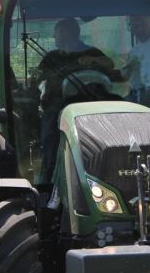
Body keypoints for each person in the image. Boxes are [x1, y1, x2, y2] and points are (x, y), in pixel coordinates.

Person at [34, 18, 114, 181]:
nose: (55, 38)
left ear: (66, 34)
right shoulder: (51, 57)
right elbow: (38, 78)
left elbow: (109, 64)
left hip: (89, 104)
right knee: (50, 127)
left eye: (56, 34)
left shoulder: (89, 52)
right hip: (57, 106)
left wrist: (93, 60)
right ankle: (48, 174)